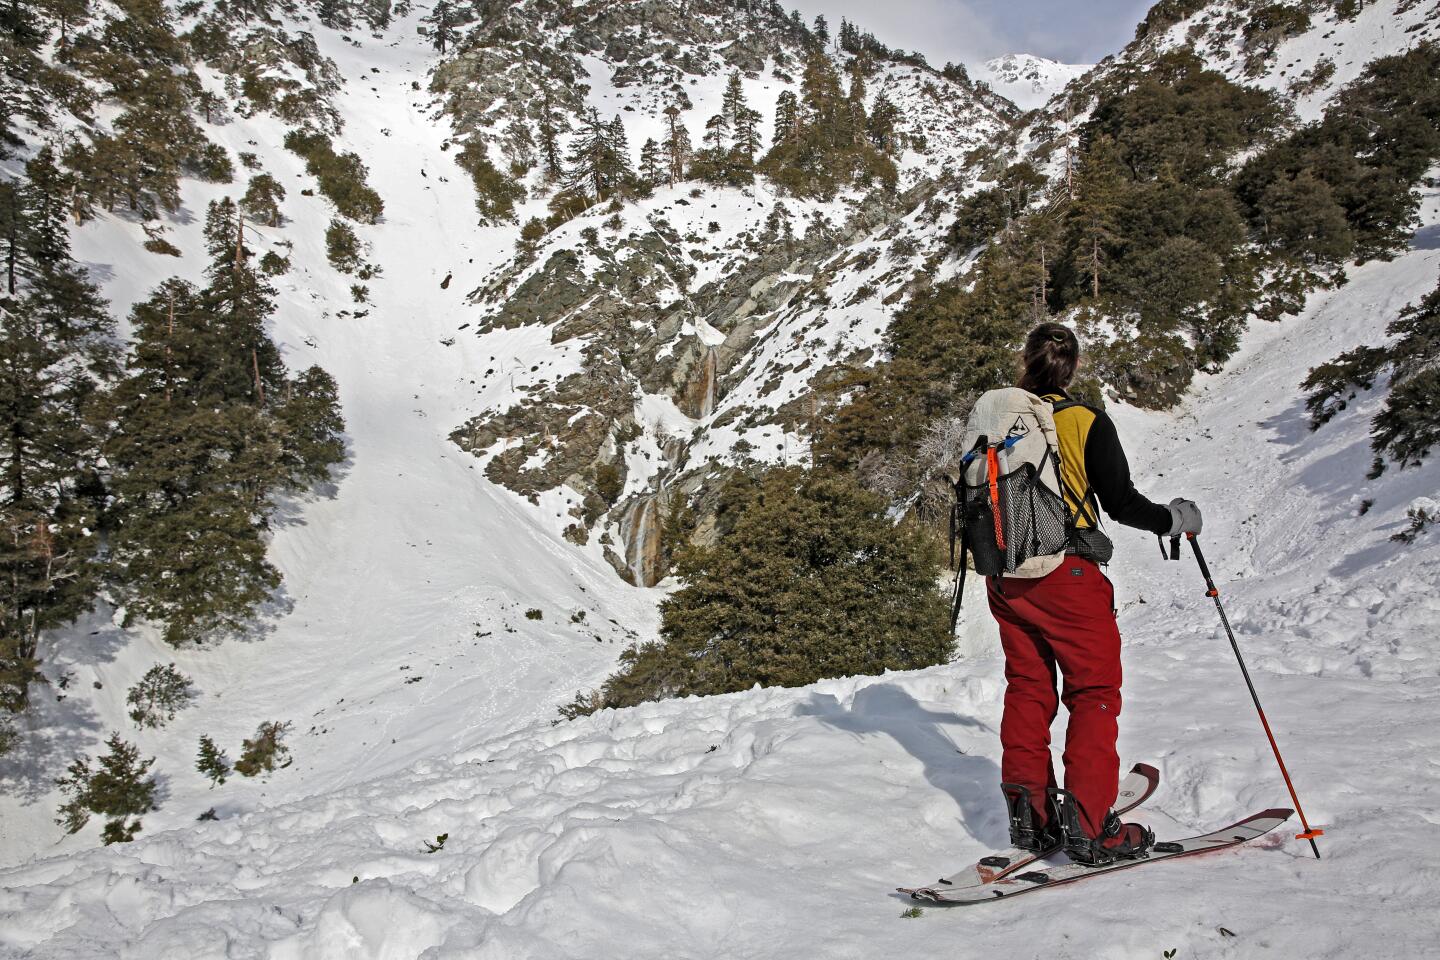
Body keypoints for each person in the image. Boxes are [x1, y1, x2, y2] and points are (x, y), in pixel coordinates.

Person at [988, 322, 1202, 865]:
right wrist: (1173, 521)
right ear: (1073, 366)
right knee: (1094, 693)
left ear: (1026, 362)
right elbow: (1122, 503)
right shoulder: (1085, 420)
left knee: (1029, 688)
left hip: (1006, 576)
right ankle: (1089, 829)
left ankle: (1030, 821)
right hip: (1068, 579)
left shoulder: (995, 419)